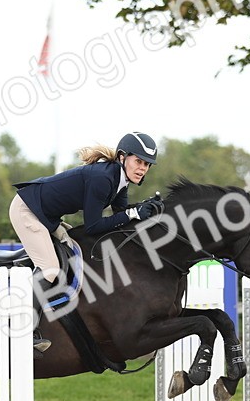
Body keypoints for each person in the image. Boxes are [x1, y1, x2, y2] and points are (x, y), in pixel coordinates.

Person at [9, 131, 165, 352]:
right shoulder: (103, 179)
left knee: (77, 245)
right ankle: (26, 330)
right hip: (27, 210)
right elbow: (93, 226)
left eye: (147, 164)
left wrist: (145, 208)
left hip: (47, 216)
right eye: (138, 161)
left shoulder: (120, 181)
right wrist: (134, 214)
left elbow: (122, 213)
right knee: (51, 269)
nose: (143, 168)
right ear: (122, 157)